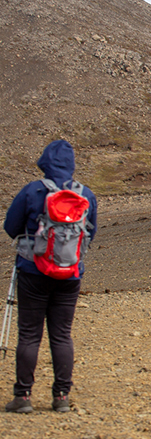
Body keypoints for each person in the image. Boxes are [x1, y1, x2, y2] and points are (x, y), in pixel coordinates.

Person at [4, 140, 98, 414]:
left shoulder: (32, 191)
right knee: (61, 335)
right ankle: (61, 397)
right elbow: (91, 233)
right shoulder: (86, 194)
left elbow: (10, 227)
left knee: (30, 335)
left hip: (33, 271)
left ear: (44, 162)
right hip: (70, 274)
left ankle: (23, 397)